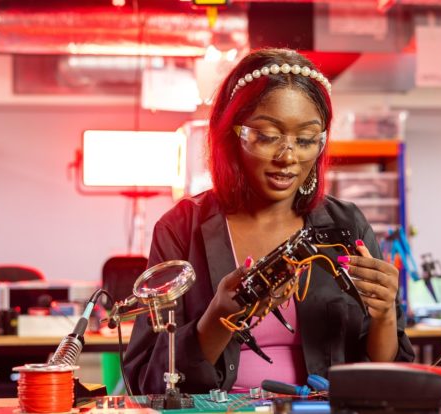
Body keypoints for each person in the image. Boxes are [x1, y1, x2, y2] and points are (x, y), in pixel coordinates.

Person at [123, 48, 415, 395]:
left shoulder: (346, 225)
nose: (288, 157)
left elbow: (383, 376)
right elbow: (147, 382)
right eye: (266, 136)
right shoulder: (181, 229)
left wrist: (384, 316)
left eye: (306, 140)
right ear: (233, 136)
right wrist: (218, 316)